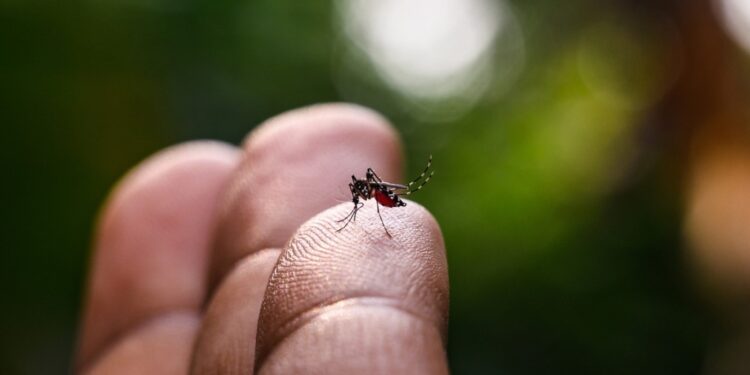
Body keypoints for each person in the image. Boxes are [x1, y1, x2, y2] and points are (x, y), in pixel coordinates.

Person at [76, 103, 449, 374]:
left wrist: (379, 204)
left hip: (388, 202)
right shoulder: (361, 192)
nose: (356, 193)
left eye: (359, 192)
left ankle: (404, 192)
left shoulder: (370, 192)